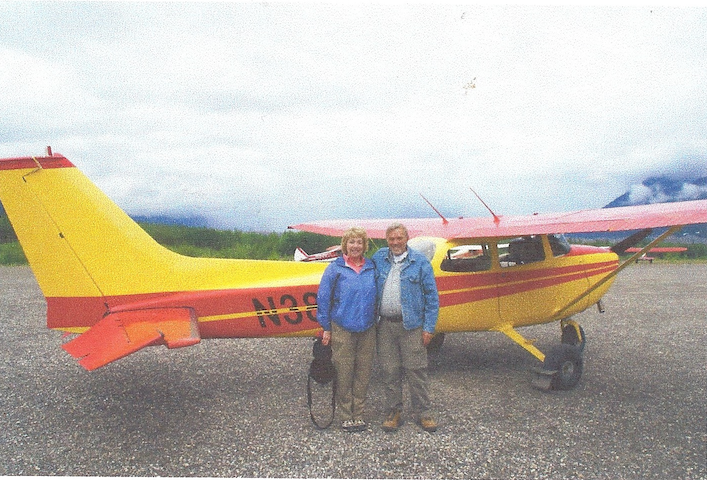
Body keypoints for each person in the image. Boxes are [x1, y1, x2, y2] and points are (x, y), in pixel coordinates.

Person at [373, 222, 440, 433]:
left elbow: (432, 297)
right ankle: (394, 412)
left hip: (411, 325)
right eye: (391, 239)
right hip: (384, 324)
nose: (395, 243)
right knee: (389, 370)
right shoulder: (378, 259)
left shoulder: (420, 262)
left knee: (416, 370)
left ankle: (424, 412)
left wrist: (428, 328)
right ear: (387, 241)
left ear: (406, 239)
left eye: (399, 238)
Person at [316, 227, 377, 432]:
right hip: (342, 327)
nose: (355, 246)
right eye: (351, 242)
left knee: (363, 372)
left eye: (359, 242)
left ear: (364, 245)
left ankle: (358, 413)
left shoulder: (371, 267)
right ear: (345, 245)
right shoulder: (335, 268)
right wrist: (326, 327)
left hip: (367, 327)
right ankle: (345, 414)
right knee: (344, 371)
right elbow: (323, 298)